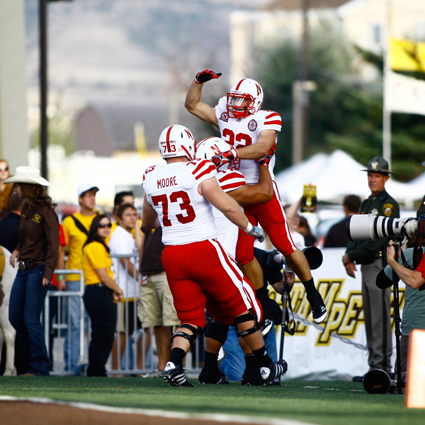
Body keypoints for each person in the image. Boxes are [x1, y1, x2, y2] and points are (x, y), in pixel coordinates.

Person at [142, 124, 287, 387]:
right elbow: (227, 204)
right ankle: (265, 365)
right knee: (245, 308)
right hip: (204, 250)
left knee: (191, 320)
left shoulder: (151, 175)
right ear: (188, 145)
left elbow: (148, 220)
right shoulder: (199, 169)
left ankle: (174, 364)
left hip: (172, 253)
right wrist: (249, 227)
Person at [185, 69, 327, 324]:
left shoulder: (266, 118)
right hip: (237, 192)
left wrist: (233, 154)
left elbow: (263, 147)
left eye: (243, 101)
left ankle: (312, 292)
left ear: (256, 101)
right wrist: (198, 82)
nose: (236, 105)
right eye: (234, 99)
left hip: (262, 189)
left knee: (285, 244)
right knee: (243, 254)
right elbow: (193, 105)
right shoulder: (226, 113)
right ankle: (262, 298)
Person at [194, 136, 278, 385]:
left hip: (201, 259)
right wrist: (264, 162)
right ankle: (258, 369)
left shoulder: (191, 181)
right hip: (222, 261)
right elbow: (264, 193)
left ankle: (209, 370)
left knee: (220, 318)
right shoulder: (225, 180)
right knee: (248, 315)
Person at [342, 157, 400, 378]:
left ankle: (383, 367)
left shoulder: (389, 205)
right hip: (368, 264)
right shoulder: (367, 203)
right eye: (370, 175)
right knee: (371, 317)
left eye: (377, 175)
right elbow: (355, 231)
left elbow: (380, 239)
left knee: (381, 317)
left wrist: (351, 255)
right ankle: (375, 365)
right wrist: (351, 256)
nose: (372, 179)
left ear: (386, 178)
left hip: (379, 264)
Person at [5, 166, 59, 376]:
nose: (15, 189)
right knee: (15, 317)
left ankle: (39, 366)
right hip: (25, 269)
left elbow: (53, 244)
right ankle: (37, 362)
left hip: (37, 271)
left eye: (17, 185)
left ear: (27, 187)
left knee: (29, 318)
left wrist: (48, 272)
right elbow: (26, 237)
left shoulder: (46, 212)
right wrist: (18, 249)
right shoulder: (27, 209)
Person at [62, 183, 99, 373]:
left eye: (93, 195)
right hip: (75, 275)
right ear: (80, 199)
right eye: (88, 195)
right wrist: (60, 276)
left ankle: (92, 366)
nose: (92, 198)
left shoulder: (101, 219)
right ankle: (71, 365)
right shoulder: (69, 221)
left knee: (94, 323)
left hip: (95, 277)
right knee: (75, 323)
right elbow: (62, 248)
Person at [377, 240, 425, 383]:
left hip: (415, 327)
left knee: (402, 378)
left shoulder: (411, 254)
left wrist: (393, 261)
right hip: (415, 327)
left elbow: (381, 280)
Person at [82, 214, 123, 377]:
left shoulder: (101, 246)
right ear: (95, 228)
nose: (106, 228)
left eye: (108, 225)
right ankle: (96, 370)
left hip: (102, 292)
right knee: (102, 333)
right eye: (102, 225)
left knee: (106, 333)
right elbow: (103, 276)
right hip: (97, 292)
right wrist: (118, 289)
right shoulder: (95, 246)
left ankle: (98, 369)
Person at [138, 225, 179, 377]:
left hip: (166, 271)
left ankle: (175, 366)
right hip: (148, 273)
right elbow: (143, 244)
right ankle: (162, 367)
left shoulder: (167, 210)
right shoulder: (151, 213)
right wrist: (140, 269)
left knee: (173, 321)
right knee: (157, 322)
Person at [108, 203, 142, 374]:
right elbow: (124, 261)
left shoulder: (129, 235)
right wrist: (140, 278)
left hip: (132, 292)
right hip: (124, 292)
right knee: (122, 333)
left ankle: (138, 368)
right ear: (119, 218)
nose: (132, 217)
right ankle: (116, 370)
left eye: (134, 214)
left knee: (138, 331)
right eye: (128, 215)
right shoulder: (120, 235)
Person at [0, 191, 29, 375]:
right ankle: (12, 366)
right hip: (21, 273)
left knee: (6, 326)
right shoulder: (25, 227)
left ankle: (10, 366)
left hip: (9, 271)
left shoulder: (2, 224)